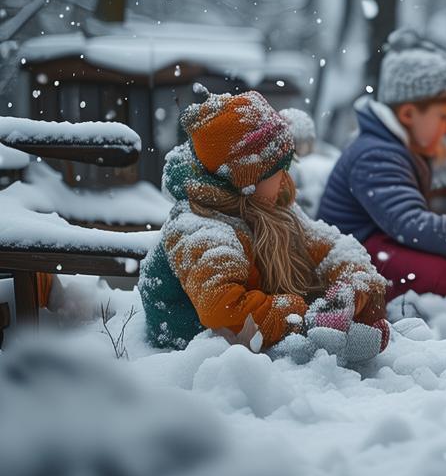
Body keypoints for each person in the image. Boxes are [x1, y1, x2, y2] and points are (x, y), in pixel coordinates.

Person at [140, 89, 391, 367]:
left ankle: (333, 337)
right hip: (192, 352)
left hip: (250, 335)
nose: (285, 179)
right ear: (246, 178)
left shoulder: (268, 205)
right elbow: (222, 309)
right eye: (276, 170)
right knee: (299, 348)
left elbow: (330, 249)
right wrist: (301, 316)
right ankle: (320, 342)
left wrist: (354, 289)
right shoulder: (197, 227)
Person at [318, 29, 446, 305]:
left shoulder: (395, 147)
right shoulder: (375, 154)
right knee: (438, 277)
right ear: (407, 114)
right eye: (444, 117)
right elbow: (411, 224)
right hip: (346, 265)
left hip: (377, 247)